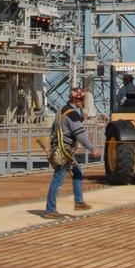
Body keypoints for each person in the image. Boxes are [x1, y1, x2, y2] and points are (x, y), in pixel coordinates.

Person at [44, 86, 99, 219]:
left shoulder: (61, 111)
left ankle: (79, 202)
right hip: (64, 151)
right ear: (75, 100)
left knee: (77, 172)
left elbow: (53, 130)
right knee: (58, 178)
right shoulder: (71, 114)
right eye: (81, 100)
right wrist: (91, 148)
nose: (82, 102)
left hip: (60, 149)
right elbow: (80, 134)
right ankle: (50, 210)